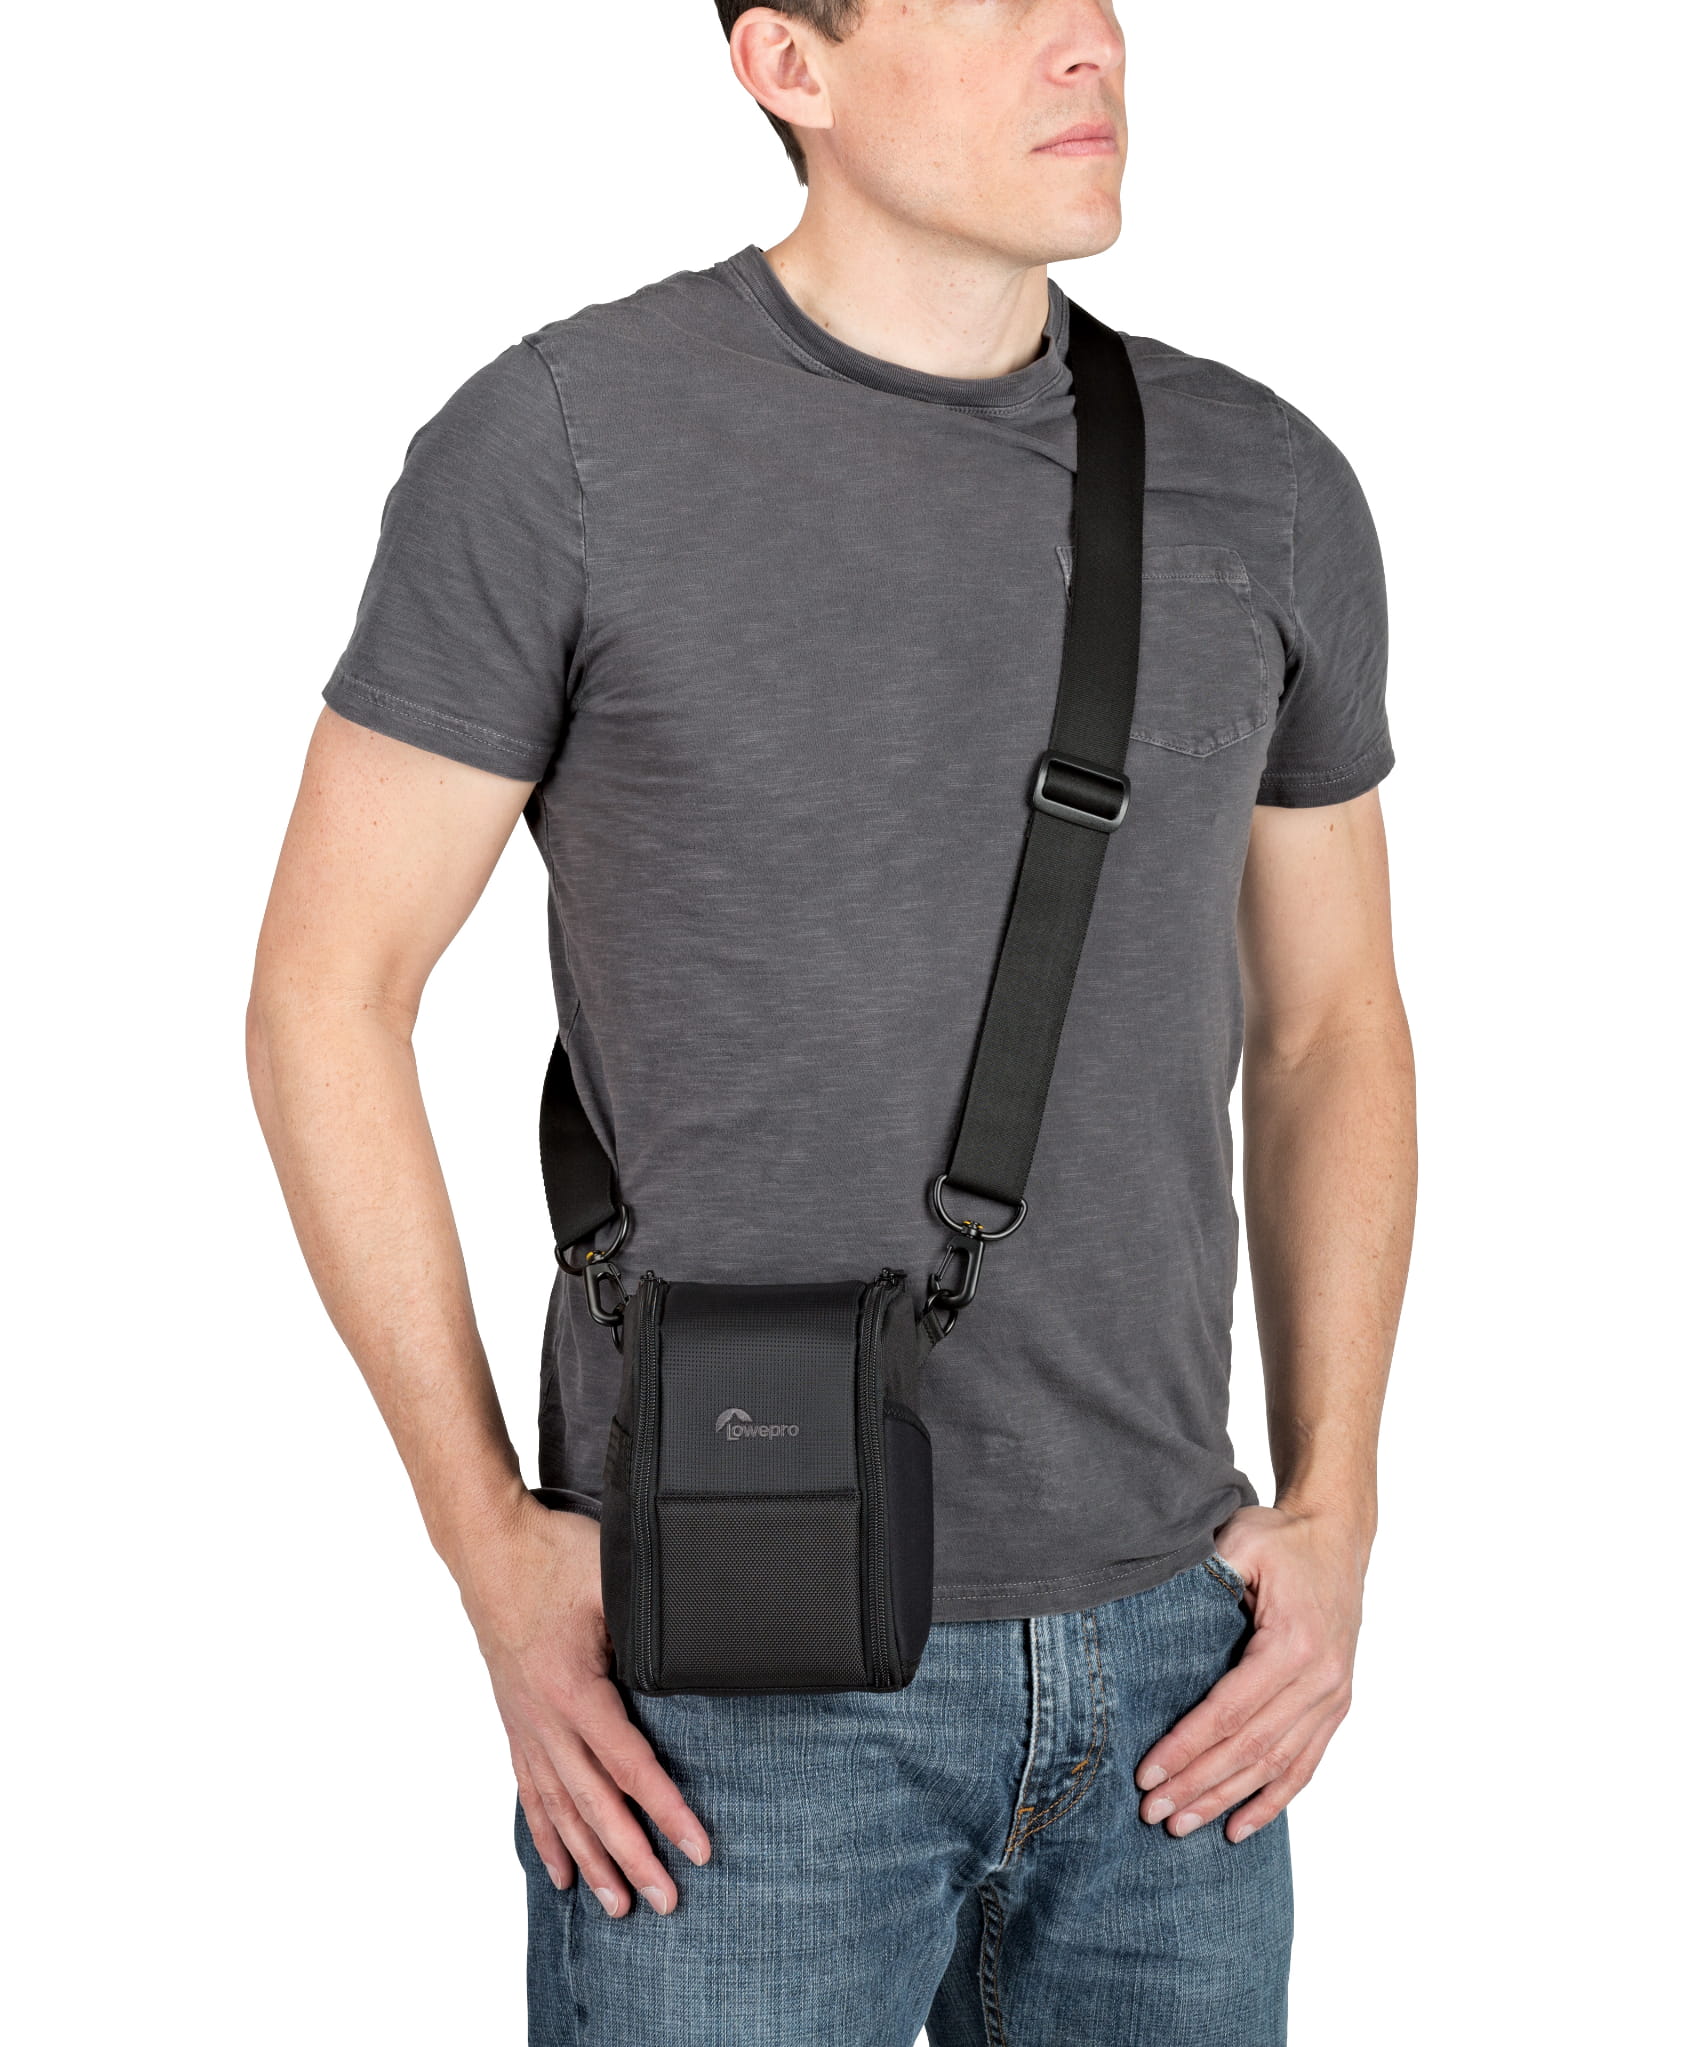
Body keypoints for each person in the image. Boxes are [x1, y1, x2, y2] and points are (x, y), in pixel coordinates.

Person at [247, 3, 1416, 2040]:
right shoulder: (565, 449)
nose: (1089, 42)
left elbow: (1331, 1029)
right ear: (790, 65)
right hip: (720, 1672)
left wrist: (1338, 1508)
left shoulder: (1264, 482)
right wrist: (492, 1549)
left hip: (1182, 1665)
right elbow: (323, 997)